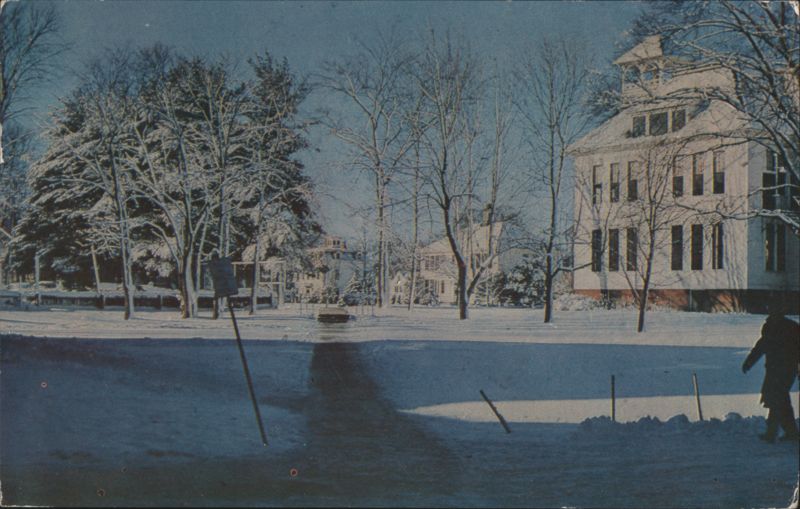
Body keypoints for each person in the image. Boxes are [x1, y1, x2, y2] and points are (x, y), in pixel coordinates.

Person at [742, 308, 800, 443]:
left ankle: (774, 433)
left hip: (780, 370)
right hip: (780, 370)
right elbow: (761, 345)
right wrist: (749, 362)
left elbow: (761, 346)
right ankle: (788, 433)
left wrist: (749, 362)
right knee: (780, 400)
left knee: (777, 399)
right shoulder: (788, 327)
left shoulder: (783, 327)